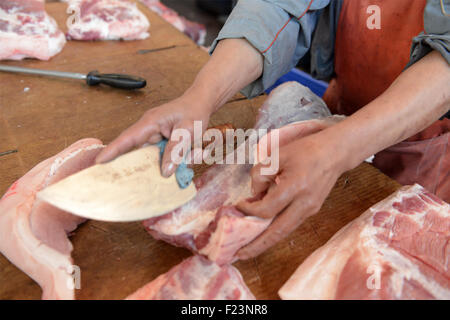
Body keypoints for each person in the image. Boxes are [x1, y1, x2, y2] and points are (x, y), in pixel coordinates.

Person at [96, 0, 450, 259]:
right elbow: (274, 6)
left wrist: (340, 147)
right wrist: (200, 98)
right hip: (338, 115)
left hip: (427, 143)